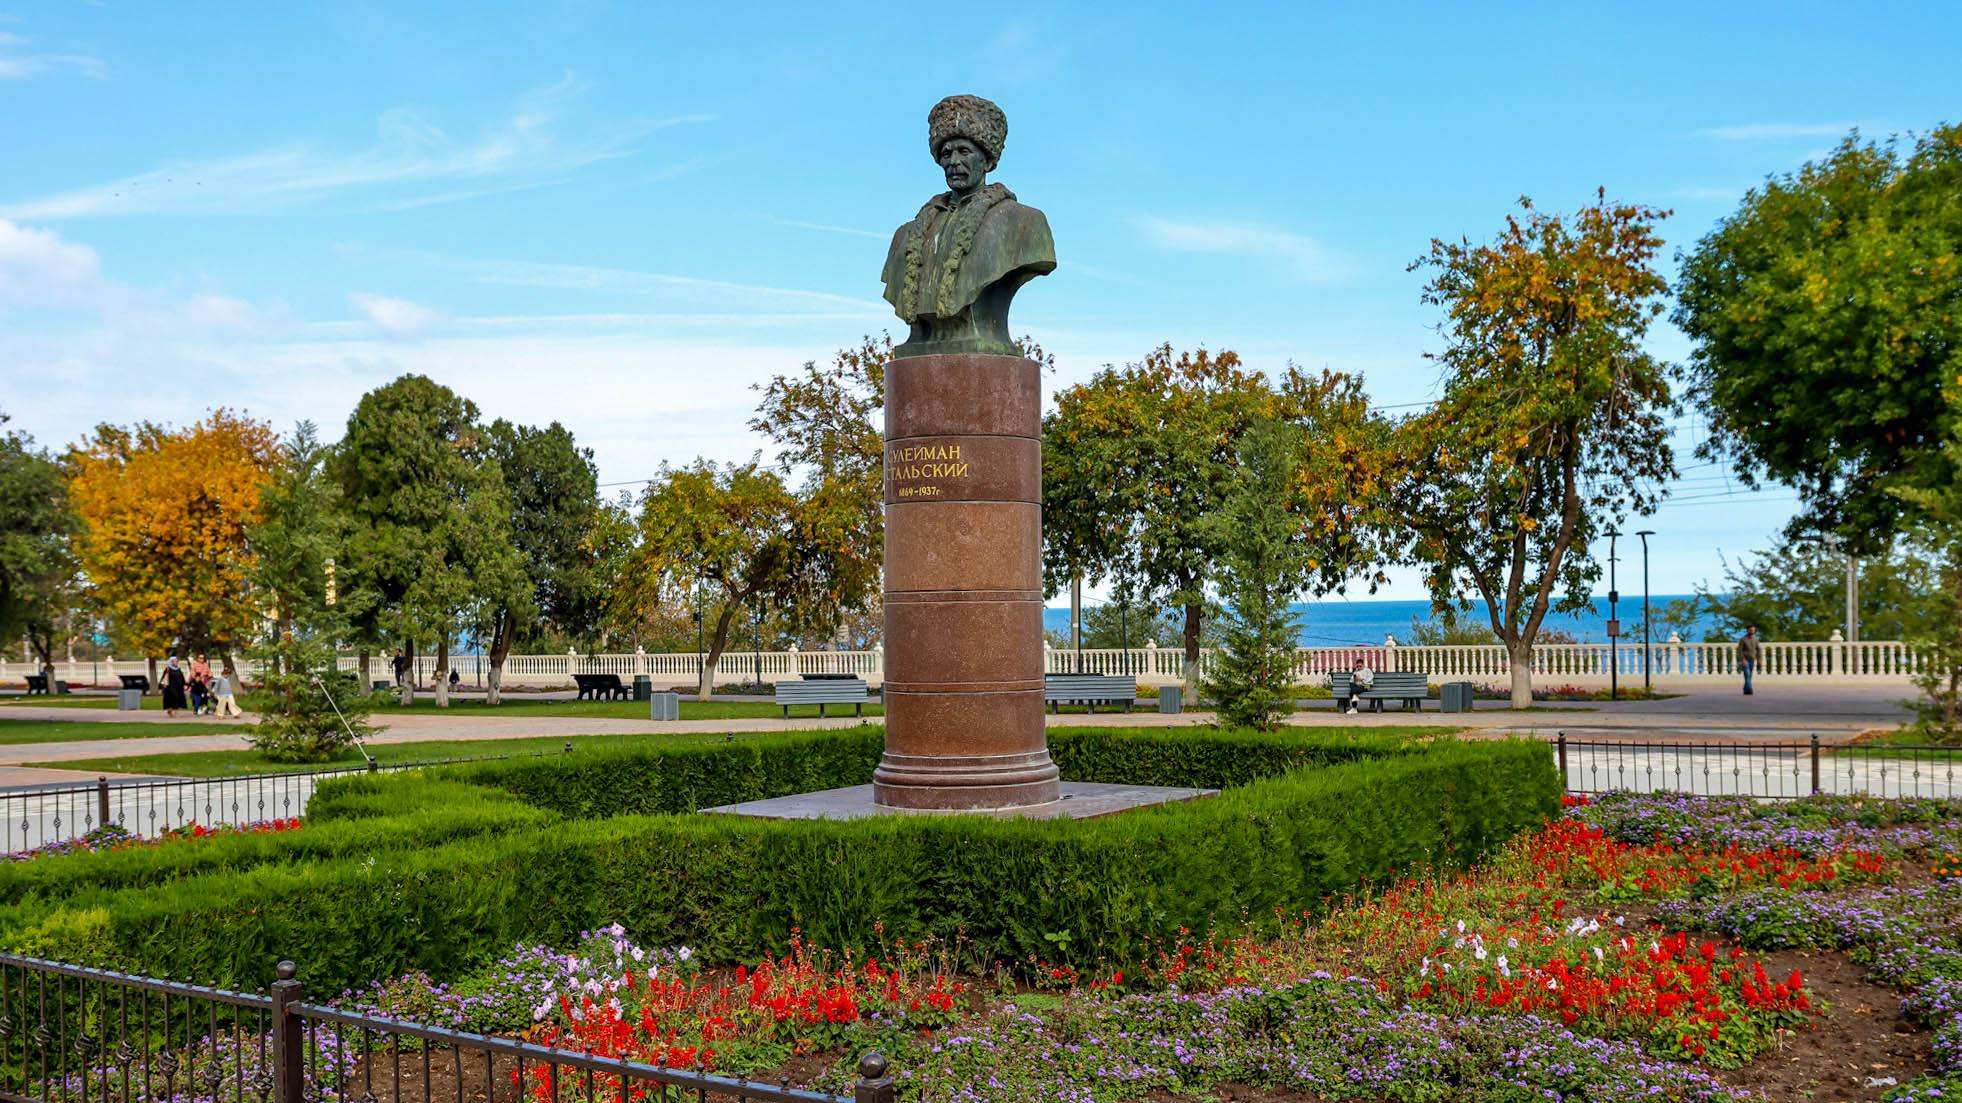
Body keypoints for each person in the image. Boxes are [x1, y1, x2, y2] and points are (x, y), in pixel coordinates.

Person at [1737, 626, 1762, 696]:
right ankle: (1749, 690)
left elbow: (1759, 650)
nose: (1752, 631)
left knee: (1749, 675)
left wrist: (1759, 660)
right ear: (1747, 630)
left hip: (1752, 659)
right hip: (1745, 660)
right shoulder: (1743, 639)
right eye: (1751, 630)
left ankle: (1745, 689)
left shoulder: (1756, 639)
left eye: (1753, 630)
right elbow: (1739, 650)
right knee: (1747, 674)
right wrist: (1743, 659)